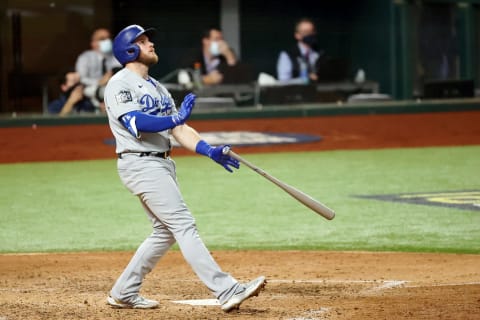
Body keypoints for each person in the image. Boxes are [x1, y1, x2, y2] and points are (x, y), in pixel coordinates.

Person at [103, 24, 266, 312]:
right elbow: (136, 122)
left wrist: (209, 150)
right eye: (143, 41)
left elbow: (180, 129)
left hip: (161, 163)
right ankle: (226, 289)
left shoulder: (158, 88)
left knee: (164, 232)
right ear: (128, 49)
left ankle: (123, 292)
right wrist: (174, 118)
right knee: (182, 224)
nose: (150, 44)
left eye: (149, 39)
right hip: (139, 163)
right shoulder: (119, 84)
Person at [75, 28, 122, 111]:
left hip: (113, 95)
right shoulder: (85, 57)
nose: (107, 41)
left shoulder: (116, 58)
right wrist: (100, 82)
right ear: (93, 43)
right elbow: (81, 79)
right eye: (102, 39)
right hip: (89, 97)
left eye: (108, 38)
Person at [276, 18, 322, 83]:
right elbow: (283, 81)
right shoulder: (287, 54)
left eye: (311, 31)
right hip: (295, 92)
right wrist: (306, 79)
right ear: (297, 35)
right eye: (306, 32)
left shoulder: (319, 53)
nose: (309, 34)